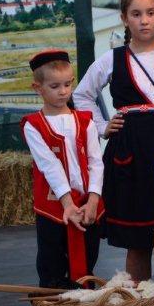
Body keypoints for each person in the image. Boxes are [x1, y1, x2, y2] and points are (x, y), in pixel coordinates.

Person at [73, 0, 154, 282]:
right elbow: (82, 95)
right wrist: (103, 127)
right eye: (136, 14)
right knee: (139, 240)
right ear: (124, 18)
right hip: (130, 155)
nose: (144, 20)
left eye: (150, 12)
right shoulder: (112, 59)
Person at [21, 49, 104, 289]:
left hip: (88, 207)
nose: (64, 91)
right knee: (52, 268)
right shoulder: (33, 125)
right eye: (55, 86)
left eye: (68, 84)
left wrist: (93, 200)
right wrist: (68, 204)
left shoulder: (85, 121)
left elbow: (96, 161)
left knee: (87, 267)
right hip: (54, 209)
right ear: (38, 88)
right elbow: (50, 165)